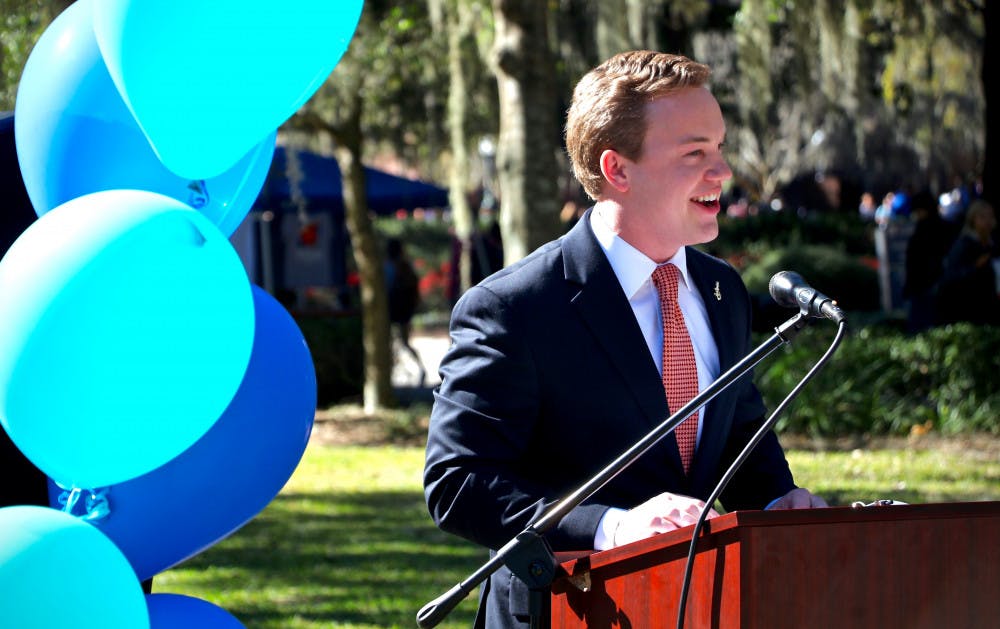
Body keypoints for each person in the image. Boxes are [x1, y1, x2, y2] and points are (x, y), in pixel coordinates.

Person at [423, 51, 825, 629]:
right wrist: (614, 527)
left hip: (703, 607)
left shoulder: (722, 290)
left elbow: (739, 440)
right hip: (568, 610)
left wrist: (776, 502)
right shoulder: (515, 307)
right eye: (695, 153)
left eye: (719, 147)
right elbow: (458, 482)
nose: (722, 172)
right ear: (618, 169)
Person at [936, 199, 999, 325]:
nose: (988, 221)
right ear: (972, 219)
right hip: (967, 312)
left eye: (990, 216)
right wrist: (976, 267)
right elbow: (952, 277)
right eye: (982, 217)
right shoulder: (964, 244)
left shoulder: (993, 244)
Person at [385, 238, 425, 387]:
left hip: (391, 311)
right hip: (404, 312)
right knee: (404, 342)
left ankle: (391, 372)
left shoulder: (388, 267)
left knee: (392, 343)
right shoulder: (405, 267)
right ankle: (419, 369)